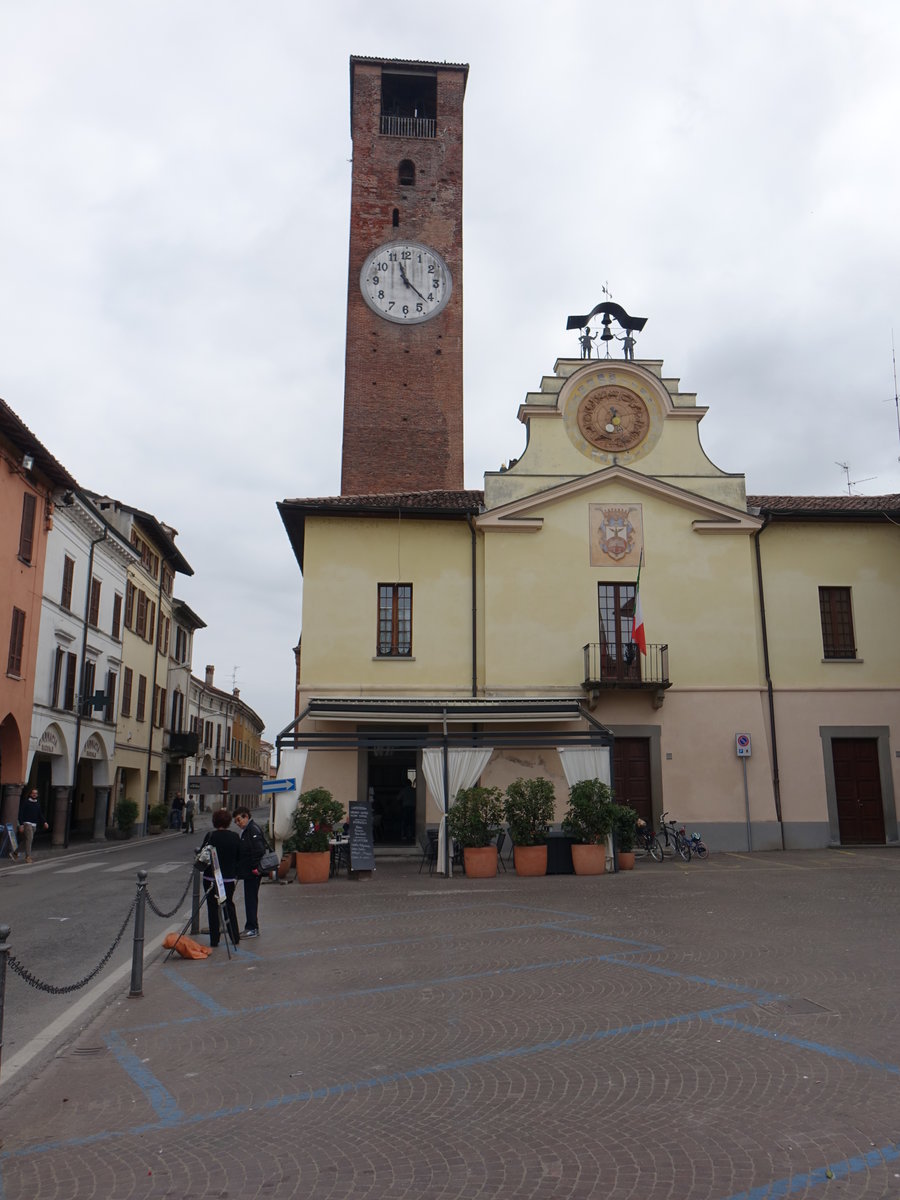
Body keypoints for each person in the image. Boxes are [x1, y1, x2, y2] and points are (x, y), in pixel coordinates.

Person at [197, 809, 240, 947]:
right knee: (229, 905)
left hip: (211, 878)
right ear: (228, 822)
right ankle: (234, 936)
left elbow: (202, 854)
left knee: (212, 907)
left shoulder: (211, 836)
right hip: (228, 878)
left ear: (214, 822)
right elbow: (239, 855)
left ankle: (214, 939)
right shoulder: (234, 837)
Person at [234, 806, 266, 937]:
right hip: (249, 871)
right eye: (235, 821)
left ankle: (252, 928)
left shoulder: (252, 829)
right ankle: (251, 927)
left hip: (252, 872)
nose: (237, 823)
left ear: (246, 816)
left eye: (239, 820)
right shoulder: (248, 830)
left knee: (251, 899)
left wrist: (255, 868)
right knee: (250, 899)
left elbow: (258, 850)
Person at [18, 787, 48, 863]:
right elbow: (21, 813)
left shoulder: (37, 803)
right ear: (30, 794)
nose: (34, 794)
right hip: (27, 823)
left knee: (26, 840)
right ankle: (28, 857)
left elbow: (39, 814)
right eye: (33, 793)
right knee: (30, 839)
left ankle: (15, 853)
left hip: (34, 824)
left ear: (37, 795)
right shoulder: (26, 802)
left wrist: (44, 822)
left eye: (36, 793)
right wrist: (21, 824)